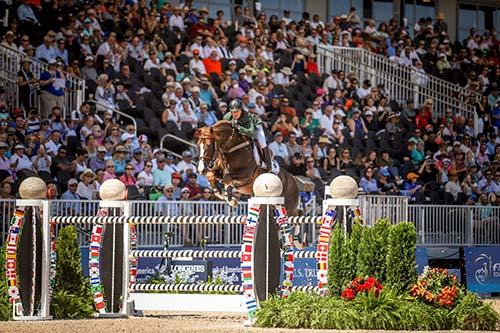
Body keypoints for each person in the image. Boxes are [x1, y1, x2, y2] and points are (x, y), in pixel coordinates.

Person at [223, 99, 272, 172]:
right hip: (243, 129)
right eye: (233, 112)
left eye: (237, 111)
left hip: (255, 128)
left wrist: (239, 127)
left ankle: (268, 164)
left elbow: (251, 132)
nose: (235, 114)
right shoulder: (227, 117)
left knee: (262, 143)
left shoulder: (248, 117)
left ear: (241, 110)